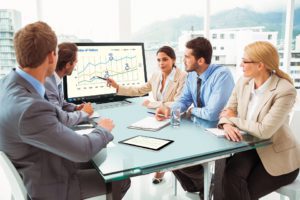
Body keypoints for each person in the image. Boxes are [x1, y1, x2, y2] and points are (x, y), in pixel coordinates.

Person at [0, 21, 130, 200]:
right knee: (121, 178)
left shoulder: (8, 84)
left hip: (37, 163)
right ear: (52, 56)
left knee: (99, 160)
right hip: (51, 183)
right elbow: (82, 150)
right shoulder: (31, 109)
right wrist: (103, 129)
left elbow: (52, 113)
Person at [218, 41, 300, 200]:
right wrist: (227, 124)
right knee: (228, 176)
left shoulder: (285, 90)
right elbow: (229, 109)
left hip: (279, 156)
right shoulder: (243, 82)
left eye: (245, 61)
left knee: (241, 190)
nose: (241, 64)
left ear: (260, 65)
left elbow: (264, 130)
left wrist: (232, 119)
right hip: (250, 147)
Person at [155, 37, 234, 199]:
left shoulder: (222, 75)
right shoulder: (191, 75)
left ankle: (208, 183)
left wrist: (192, 111)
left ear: (201, 60)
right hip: (195, 128)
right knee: (166, 150)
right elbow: (183, 100)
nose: (183, 60)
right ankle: (203, 184)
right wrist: (170, 111)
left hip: (215, 132)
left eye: (187, 57)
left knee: (176, 154)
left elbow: (212, 114)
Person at [107, 45, 187, 109]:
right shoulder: (156, 75)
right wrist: (117, 87)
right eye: (158, 60)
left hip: (174, 117)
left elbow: (178, 104)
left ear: (173, 60)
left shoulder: (182, 76)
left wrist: (151, 104)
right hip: (158, 115)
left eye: (165, 59)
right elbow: (139, 90)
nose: (161, 63)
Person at [44, 42, 94, 127]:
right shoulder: (48, 84)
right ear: (67, 65)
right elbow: (62, 119)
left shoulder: (55, 79)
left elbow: (60, 103)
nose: (75, 66)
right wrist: (83, 113)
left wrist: (75, 108)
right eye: (75, 62)